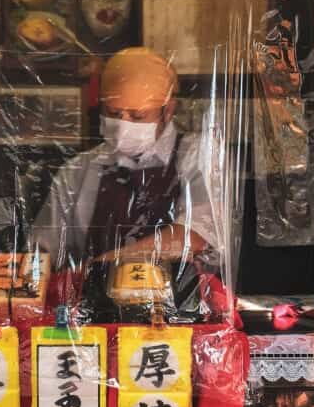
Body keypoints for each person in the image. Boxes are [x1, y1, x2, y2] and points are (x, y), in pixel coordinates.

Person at [33, 46, 222, 271]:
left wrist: (106, 265)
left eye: (137, 115)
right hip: (94, 304)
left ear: (168, 110)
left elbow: (195, 236)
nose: (123, 125)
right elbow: (40, 256)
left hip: (179, 305)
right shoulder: (76, 172)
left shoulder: (197, 155)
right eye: (113, 113)